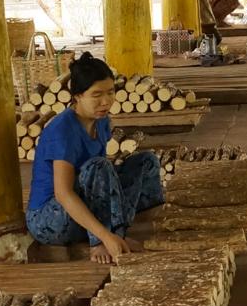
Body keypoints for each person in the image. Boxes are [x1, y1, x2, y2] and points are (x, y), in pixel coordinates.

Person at [24, 53, 164, 262]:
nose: (106, 101)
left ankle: (132, 227)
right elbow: (63, 194)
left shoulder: (101, 121)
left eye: (110, 92)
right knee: (98, 166)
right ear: (78, 96)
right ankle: (100, 241)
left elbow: (101, 184)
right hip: (51, 220)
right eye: (96, 94)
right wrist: (104, 236)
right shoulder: (62, 131)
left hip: (82, 205)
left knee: (146, 161)